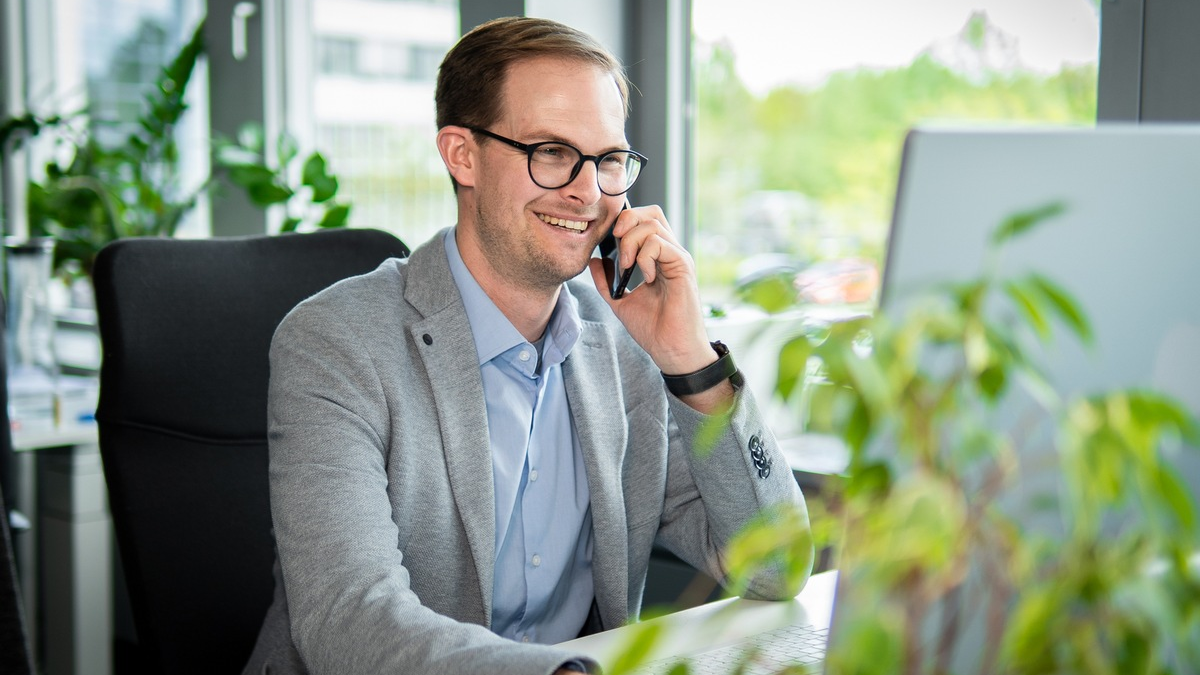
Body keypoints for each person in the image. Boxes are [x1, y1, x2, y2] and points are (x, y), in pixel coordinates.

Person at [242, 16, 810, 675]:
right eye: (552, 152)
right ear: (462, 155)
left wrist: (689, 360)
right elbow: (349, 619)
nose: (588, 191)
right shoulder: (337, 343)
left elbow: (775, 566)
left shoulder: (623, 347)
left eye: (609, 159)